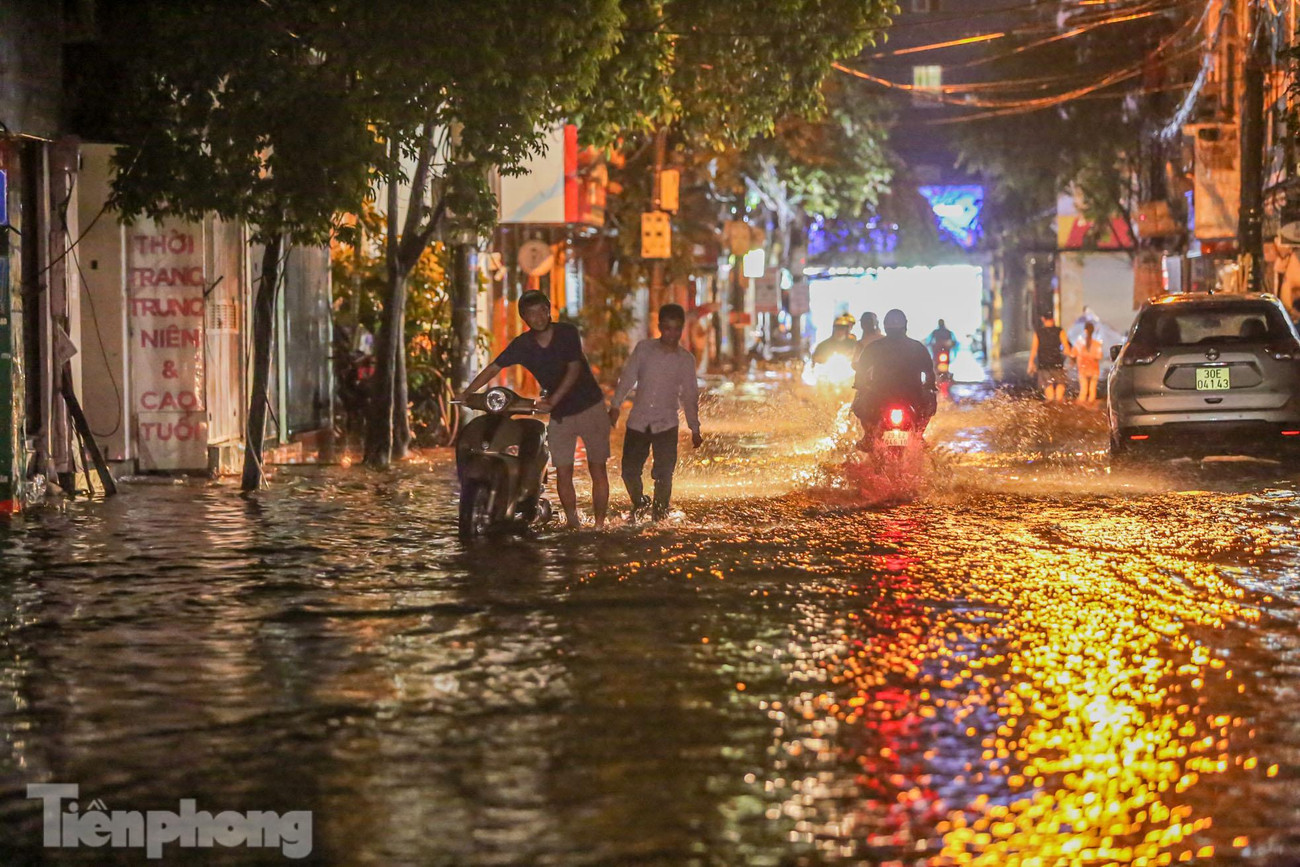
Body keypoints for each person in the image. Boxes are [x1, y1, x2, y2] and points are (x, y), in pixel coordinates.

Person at [459, 290, 611, 530]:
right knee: (563, 470)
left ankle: (600, 526)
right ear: (524, 318)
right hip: (561, 415)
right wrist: (467, 393)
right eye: (532, 313)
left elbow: (574, 370)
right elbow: (494, 367)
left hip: (591, 406)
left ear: (549, 310)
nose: (539, 317)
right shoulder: (523, 344)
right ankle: (574, 524)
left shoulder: (567, 333)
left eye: (542, 310)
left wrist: (553, 400)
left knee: (597, 468)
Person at [610, 304, 703, 522]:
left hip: (666, 423)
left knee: (664, 474)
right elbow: (628, 378)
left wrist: (695, 428)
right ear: (660, 326)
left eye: (676, 329)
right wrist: (615, 406)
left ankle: (659, 516)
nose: (672, 334)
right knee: (629, 471)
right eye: (667, 328)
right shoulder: (644, 350)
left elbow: (690, 395)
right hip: (638, 421)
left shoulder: (685, 360)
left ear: (682, 330)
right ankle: (640, 502)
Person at [852, 308, 938, 447]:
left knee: (859, 399)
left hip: (879, 396)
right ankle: (919, 435)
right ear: (905, 326)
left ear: (885, 326)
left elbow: (861, 371)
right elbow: (929, 373)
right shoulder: (917, 347)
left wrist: (860, 385)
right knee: (930, 398)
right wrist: (929, 387)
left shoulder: (874, 347)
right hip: (912, 396)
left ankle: (868, 436)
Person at [1028, 310, 1072, 403]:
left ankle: (1050, 412)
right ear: (1053, 319)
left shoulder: (1038, 332)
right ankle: (1060, 414)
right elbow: (1066, 348)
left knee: (1050, 397)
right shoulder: (1060, 331)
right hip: (1058, 364)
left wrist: (1030, 363)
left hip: (1044, 365)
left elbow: (1034, 349)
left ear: (1043, 319)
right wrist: (1072, 359)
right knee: (1060, 391)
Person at [1073, 321, 1104, 405]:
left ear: (1085, 330)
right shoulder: (1097, 344)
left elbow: (1073, 354)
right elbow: (1099, 357)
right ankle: (1091, 410)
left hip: (1082, 370)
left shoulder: (1079, 343)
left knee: (1083, 391)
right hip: (1094, 370)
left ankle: (1080, 411)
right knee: (1092, 391)